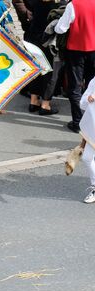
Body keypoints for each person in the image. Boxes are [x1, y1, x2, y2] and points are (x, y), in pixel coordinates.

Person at [55, 0, 95, 133]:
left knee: (75, 86)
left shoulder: (73, 5)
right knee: (92, 87)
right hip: (94, 49)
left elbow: (60, 28)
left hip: (76, 50)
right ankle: (91, 122)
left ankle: (77, 122)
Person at [78, 77, 95, 203]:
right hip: (92, 128)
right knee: (87, 158)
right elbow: (82, 103)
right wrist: (89, 99)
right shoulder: (94, 81)